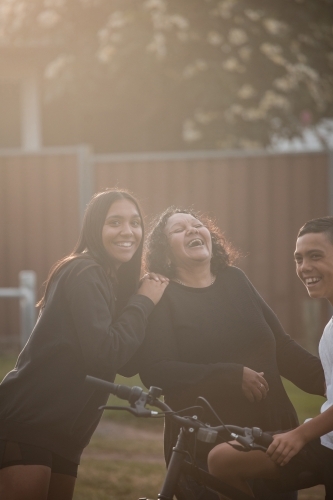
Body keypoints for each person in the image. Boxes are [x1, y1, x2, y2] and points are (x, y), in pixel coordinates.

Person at [122, 207, 325, 500]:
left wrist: (327, 382)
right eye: (179, 230)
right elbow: (156, 370)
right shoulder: (162, 295)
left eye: (197, 224)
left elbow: (280, 346)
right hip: (204, 439)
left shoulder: (235, 280)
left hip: (271, 434)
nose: (192, 230)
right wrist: (229, 375)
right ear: (165, 252)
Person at [0, 188, 168, 500]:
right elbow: (105, 355)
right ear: (94, 228)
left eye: (134, 222)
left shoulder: (110, 281)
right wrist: (143, 302)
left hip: (68, 433)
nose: (127, 231)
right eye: (114, 222)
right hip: (31, 420)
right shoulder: (84, 271)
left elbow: (126, 362)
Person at [207, 216, 333, 499]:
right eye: (298, 259)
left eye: (315, 256)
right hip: (326, 443)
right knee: (222, 460)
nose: (304, 267)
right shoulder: (330, 327)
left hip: (320, 442)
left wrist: (300, 434)